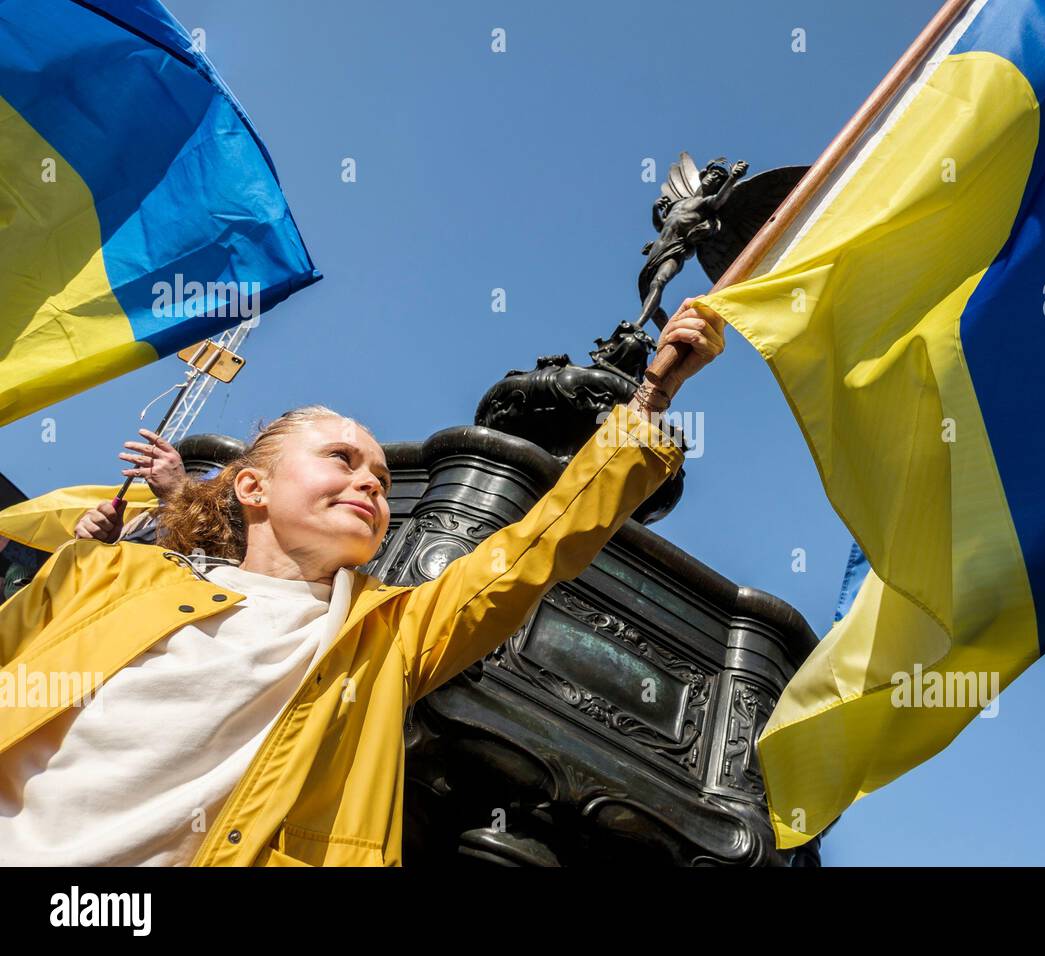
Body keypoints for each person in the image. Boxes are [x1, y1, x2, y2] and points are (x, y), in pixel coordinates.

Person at [0, 300, 724, 866]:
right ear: (252, 486)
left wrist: (654, 396)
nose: (369, 483)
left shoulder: (389, 635)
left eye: (380, 477)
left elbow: (540, 547)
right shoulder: (108, 572)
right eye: (342, 459)